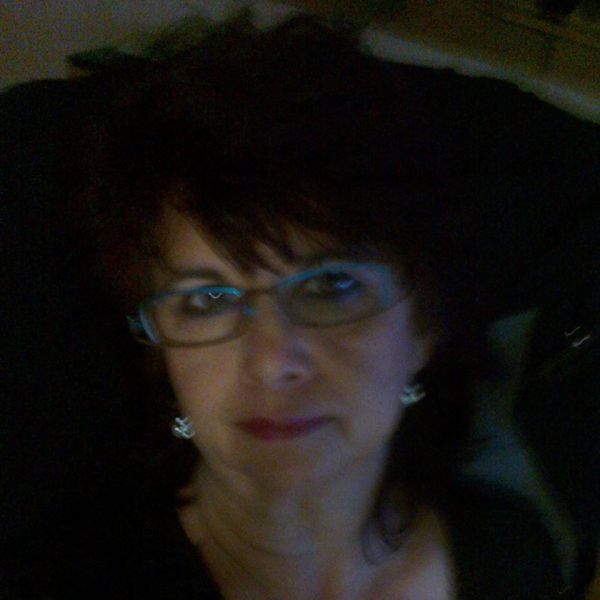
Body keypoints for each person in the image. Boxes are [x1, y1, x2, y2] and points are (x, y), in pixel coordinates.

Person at [5, 9, 596, 600]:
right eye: (207, 299)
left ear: (423, 326)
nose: (272, 362)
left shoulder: (521, 553)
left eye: (331, 287)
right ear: (162, 352)